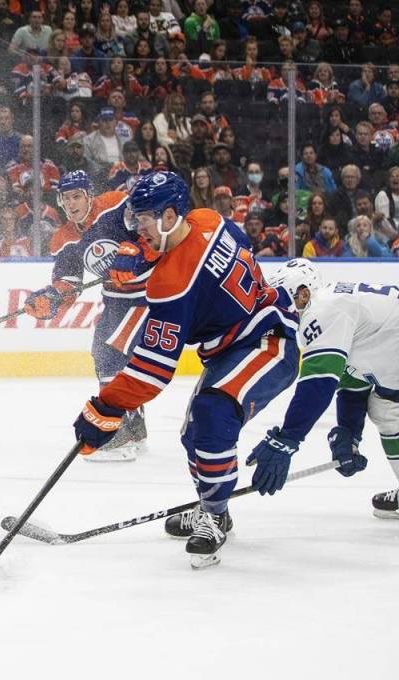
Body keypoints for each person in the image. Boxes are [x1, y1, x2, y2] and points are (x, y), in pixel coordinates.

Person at [72, 171, 300, 568]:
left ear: (170, 215)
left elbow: (153, 370)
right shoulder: (209, 219)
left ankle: (212, 516)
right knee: (193, 433)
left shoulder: (170, 284)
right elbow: (209, 258)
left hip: (267, 342)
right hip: (237, 342)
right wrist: (148, 254)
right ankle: (216, 505)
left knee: (212, 417)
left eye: (143, 219)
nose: (136, 226)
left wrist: (106, 408)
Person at [248, 262, 399, 519]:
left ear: (304, 293)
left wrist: (287, 439)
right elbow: (354, 380)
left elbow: (318, 384)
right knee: (386, 408)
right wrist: (349, 433)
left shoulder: (322, 310)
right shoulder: (340, 305)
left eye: (283, 298)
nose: (277, 308)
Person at [24, 170, 153, 462]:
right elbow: (69, 284)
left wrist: (134, 251)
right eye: (65, 198)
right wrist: (52, 299)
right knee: (113, 357)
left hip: (152, 292)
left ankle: (113, 436)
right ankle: (134, 427)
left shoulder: (116, 205)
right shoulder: (64, 238)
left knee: (108, 352)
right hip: (118, 301)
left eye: (76, 196)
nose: (71, 203)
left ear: (89, 195)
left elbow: (152, 230)